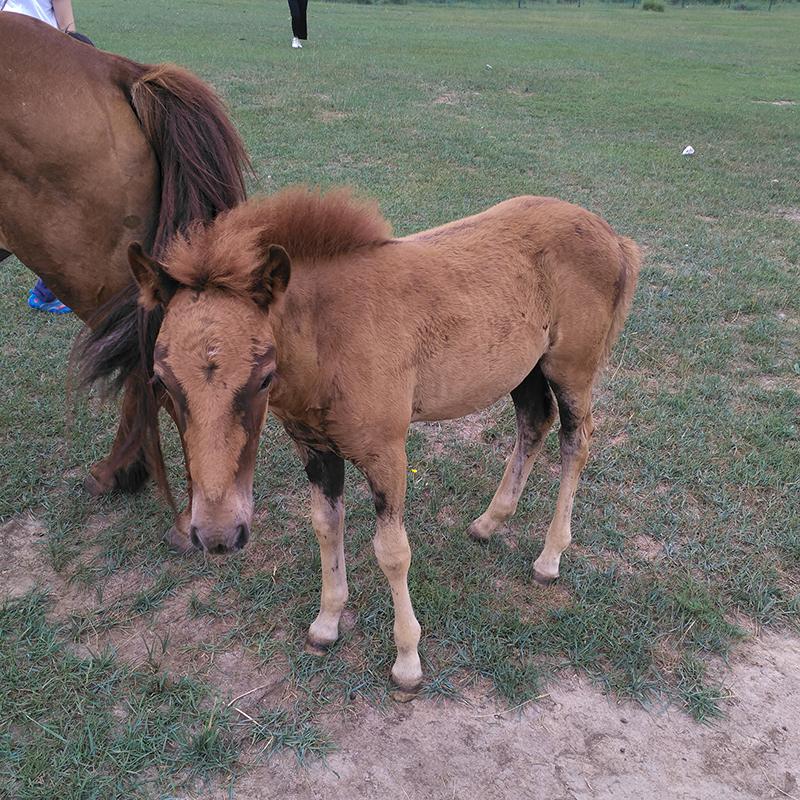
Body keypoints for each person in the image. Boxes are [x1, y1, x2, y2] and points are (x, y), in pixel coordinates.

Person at [1, 0, 82, 314]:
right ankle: (48, 290)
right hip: (28, 69)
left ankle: (47, 289)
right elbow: (66, 25)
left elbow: (65, 25)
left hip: (24, 66)